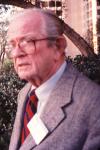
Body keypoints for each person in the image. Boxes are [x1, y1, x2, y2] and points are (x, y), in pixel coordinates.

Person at [6, 8, 100, 150]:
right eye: (13, 45)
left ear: (58, 46)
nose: (16, 53)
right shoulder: (24, 94)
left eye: (28, 41)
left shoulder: (94, 105)